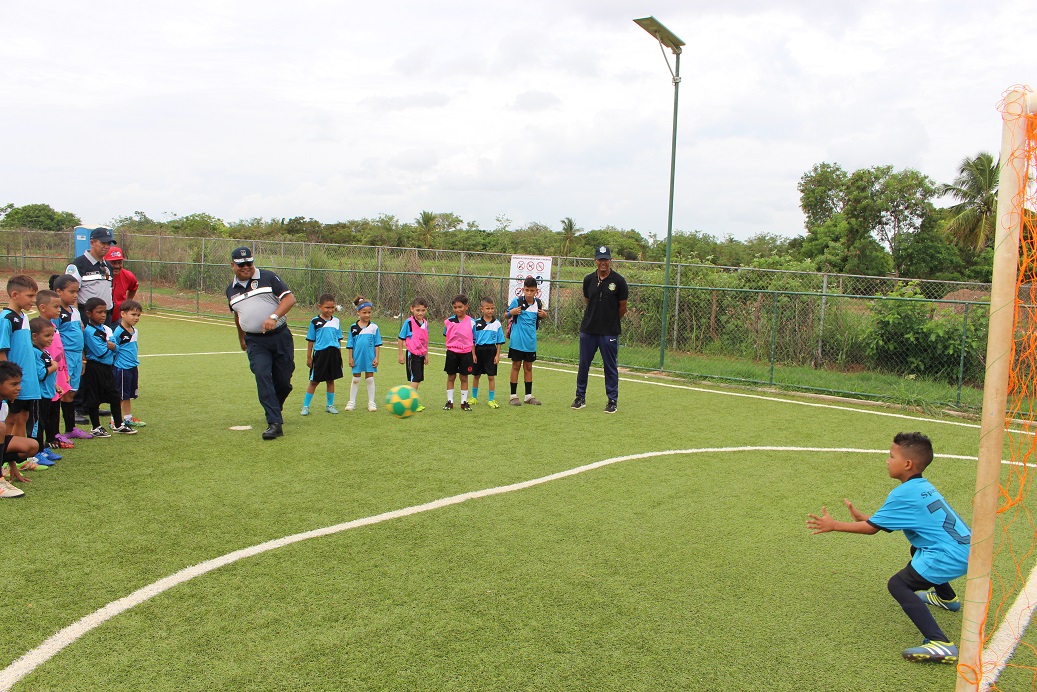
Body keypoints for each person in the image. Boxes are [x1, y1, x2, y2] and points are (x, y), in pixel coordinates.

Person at [806, 432, 971, 664]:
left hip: (949, 555)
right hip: (966, 549)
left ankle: (940, 643)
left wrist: (834, 525)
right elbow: (882, 523)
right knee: (916, 550)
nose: (887, 460)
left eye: (892, 456)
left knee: (898, 584)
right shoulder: (922, 487)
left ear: (907, 464)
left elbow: (871, 529)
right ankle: (947, 599)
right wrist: (864, 518)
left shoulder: (902, 494)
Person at [225, 247, 296, 440]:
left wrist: (274, 316)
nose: (246, 267)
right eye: (241, 264)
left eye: (249, 263)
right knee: (263, 375)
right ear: (233, 265)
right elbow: (238, 315)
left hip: (280, 336)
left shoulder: (268, 277)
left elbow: (289, 299)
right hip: (255, 341)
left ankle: (275, 407)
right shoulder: (230, 290)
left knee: (283, 381)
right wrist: (241, 337)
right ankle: (274, 423)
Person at [572, 246, 628, 414]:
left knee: (610, 366)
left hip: (609, 332)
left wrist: (610, 321)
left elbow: (623, 308)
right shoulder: (588, 279)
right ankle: (580, 397)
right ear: (595, 260)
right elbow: (588, 301)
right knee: (584, 364)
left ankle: (612, 400)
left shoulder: (619, 281)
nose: (603, 262)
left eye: (606, 259)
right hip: (588, 330)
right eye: (600, 259)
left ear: (611, 260)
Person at [81, 298, 136, 437]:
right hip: (95, 368)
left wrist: (112, 346)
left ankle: (118, 424)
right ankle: (96, 427)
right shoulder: (89, 332)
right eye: (99, 312)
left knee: (115, 396)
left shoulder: (105, 328)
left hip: (107, 368)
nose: (103, 315)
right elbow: (102, 352)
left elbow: (116, 347)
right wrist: (112, 347)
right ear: (88, 313)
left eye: (105, 312)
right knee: (93, 398)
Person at [51, 274, 92, 440]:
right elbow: (52, 338)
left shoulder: (74, 311)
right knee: (61, 393)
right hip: (64, 357)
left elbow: (79, 336)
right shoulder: (57, 314)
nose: (76, 295)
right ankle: (55, 433)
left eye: (77, 291)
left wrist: (83, 358)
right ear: (59, 292)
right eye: (72, 291)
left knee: (71, 392)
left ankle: (70, 429)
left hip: (76, 357)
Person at [0, 275, 41, 440]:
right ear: (15, 295)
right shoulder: (6, 319)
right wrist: (8, 382)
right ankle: (5, 451)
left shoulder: (24, 317)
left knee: (23, 416)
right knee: (11, 418)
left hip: (28, 379)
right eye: (30, 296)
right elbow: (2, 352)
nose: (34, 300)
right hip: (14, 380)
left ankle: (20, 453)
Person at [36, 290, 74, 448]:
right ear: (43, 307)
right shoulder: (38, 328)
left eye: (60, 306)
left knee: (55, 405)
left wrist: (64, 371)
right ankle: (49, 439)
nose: (59, 310)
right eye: (56, 306)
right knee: (48, 409)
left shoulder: (53, 326)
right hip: (48, 375)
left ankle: (55, 435)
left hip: (57, 373)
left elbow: (59, 350)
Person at [0, 362, 40, 498]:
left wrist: (12, 465)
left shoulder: (3, 405)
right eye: (13, 384)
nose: (19, 388)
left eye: (19, 383)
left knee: (32, 446)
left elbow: (2, 439)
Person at [506, 278, 547, 406]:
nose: (529, 293)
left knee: (528, 367)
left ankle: (528, 396)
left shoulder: (538, 303)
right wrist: (511, 312)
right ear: (523, 289)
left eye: (532, 290)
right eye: (527, 290)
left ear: (536, 291)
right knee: (516, 366)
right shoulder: (517, 301)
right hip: (517, 341)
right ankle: (513, 396)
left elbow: (539, 318)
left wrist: (544, 316)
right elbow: (506, 315)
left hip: (530, 342)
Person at [302, 294, 343, 415]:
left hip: (334, 354)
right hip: (321, 354)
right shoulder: (315, 321)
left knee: (330, 380)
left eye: (332, 307)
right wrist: (309, 357)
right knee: (314, 381)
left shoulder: (336, 321)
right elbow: (311, 340)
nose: (330, 310)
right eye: (327, 307)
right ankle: (305, 406)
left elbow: (339, 340)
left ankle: (330, 405)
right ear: (320, 307)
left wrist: (340, 357)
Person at [65, 227, 116, 325]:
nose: (106, 246)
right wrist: (77, 319)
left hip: (106, 317)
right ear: (92, 243)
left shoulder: (108, 266)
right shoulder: (78, 264)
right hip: (86, 316)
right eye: (103, 243)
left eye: (108, 243)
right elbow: (71, 293)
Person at [112, 299, 146, 428]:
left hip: (132, 367)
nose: (136, 318)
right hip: (122, 368)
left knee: (128, 395)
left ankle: (127, 418)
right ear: (123, 314)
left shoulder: (134, 331)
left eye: (138, 315)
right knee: (120, 395)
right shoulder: (118, 332)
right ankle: (114, 420)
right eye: (133, 314)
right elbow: (113, 347)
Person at [30, 318, 61, 455]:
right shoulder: (35, 352)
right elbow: (40, 374)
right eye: (47, 335)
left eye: (52, 335)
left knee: (44, 422)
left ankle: (42, 448)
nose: (51, 339)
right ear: (34, 336)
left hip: (47, 393)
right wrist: (54, 366)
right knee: (38, 424)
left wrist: (55, 385)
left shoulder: (43, 351)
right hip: (40, 395)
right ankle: (37, 452)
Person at [345, 296, 382, 412]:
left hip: (370, 358)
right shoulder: (353, 328)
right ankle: (352, 402)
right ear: (358, 312)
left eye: (369, 312)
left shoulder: (374, 327)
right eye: (364, 312)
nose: (367, 315)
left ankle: (371, 402)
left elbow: (377, 344)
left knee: (370, 379)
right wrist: (350, 358)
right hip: (357, 358)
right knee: (356, 379)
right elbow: (350, 344)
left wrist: (376, 357)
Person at [471, 297, 505, 409]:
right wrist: (473, 354)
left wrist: (497, 355)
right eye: (488, 308)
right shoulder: (476, 323)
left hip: (491, 351)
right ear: (482, 309)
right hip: (479, 350)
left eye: (492, 308)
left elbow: (499, 341)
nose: (490, 311)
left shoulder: (497, 323)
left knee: (491, 377)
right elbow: (472, 341)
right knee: (476, 375)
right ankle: (474, 397)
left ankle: (491, 399)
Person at [442, 294, 475, 411]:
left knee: (464, 377)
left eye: (460, 307)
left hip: (466, 353)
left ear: (466, 306)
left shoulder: (472, 322)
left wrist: (473, 354)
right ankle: (450, 401)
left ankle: (464, 402)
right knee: (451, 376)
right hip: (452, 353)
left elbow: (473, 339)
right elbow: (446, 335)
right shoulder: (449, 321)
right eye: (455, 307)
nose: (457, 310)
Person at [397, 297, 429, 406]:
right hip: (412, 355)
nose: (420, 313)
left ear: (426, 309)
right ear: (412, 309)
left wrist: (426, 354)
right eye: (418, 310)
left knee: (418, 379)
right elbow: (400, 338)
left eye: (423, 310)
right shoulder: (409, 322)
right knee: (415, 378)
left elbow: (425, 340)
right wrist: (400, 354)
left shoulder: (425, 323)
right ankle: (411, 403)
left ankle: (411, 401)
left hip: (421, 355)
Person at [105, 246, 139, 323]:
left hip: (118, 320)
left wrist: (127, 302)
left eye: (119, 262)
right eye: (113, 263)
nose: (117, 266)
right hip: (100, 320)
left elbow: (134, 286)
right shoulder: (99, 274)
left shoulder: (127, 276)